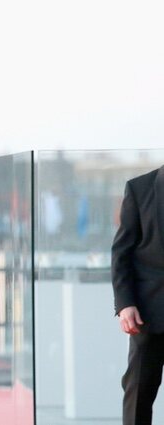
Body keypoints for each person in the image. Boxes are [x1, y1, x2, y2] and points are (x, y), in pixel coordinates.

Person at [111, 165, 164, 425]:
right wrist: (125, 304)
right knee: (138, 397)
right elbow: (122, 253)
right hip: (148, 315)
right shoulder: (139, 187)